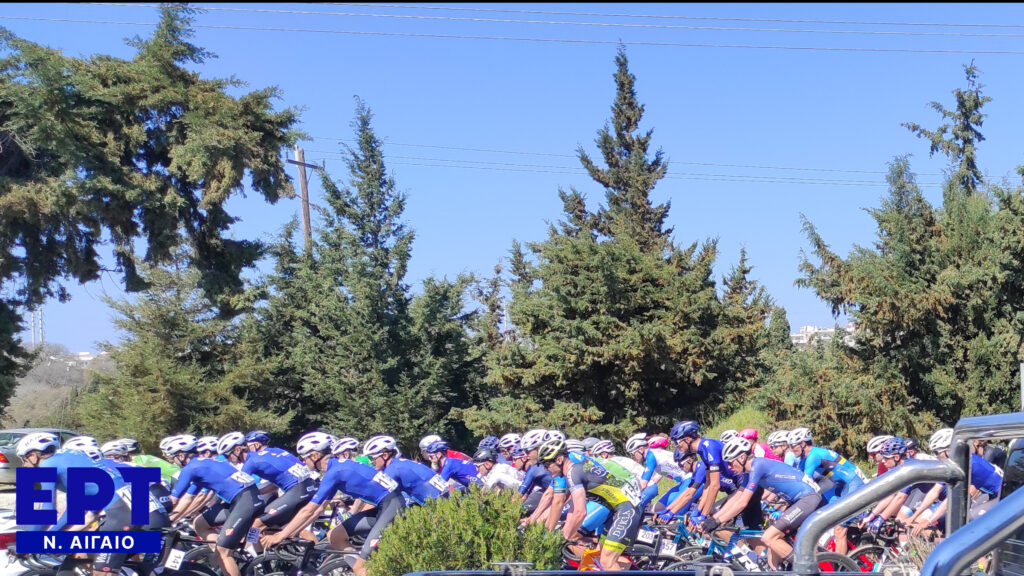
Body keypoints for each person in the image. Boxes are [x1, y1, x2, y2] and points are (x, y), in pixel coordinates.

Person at [17, 432, 161, 576]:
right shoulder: (74, 458)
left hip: (122, 514)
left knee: (101, 572)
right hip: (145, 512)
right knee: (87, 555)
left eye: (23, 460)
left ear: (33, 456)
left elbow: (46, 511)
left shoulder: (48, 465)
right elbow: (73, 513)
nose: (24, 465)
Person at [261, 432, 404, 576]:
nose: (303, 462)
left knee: (360, 567)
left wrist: (281, 535)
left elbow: (308, 510)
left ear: (315, 456)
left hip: (392, 505)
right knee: (335, 536)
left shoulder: (334, 472)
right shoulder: (335, 468)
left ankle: (363, 569)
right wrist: (290, 533)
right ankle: (363, 569)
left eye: (304, 458)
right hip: (383, 506)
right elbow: (318, 510)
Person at [700, 437, 823, 569]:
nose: (729, 468)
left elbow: (742, 502)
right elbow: (737, 497)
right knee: (772, 554)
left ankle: (808, 569)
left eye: (730, 462)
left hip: (807, 498)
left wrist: (717, 521)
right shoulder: (748, 473)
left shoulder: (757, 466)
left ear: (742, 458)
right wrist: (714, 518)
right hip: (798, 501)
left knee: (768, 537)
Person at [166, 435, 262, 576]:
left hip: (244, 501)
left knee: (222, 553)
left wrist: (165, 519)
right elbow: (188, 498)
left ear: (181, 455)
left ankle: (225, 552)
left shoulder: (190, 469)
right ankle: (229, 550)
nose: (172, 461)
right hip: (245, 498)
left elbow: (174, 500)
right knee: (199, 523)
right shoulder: (205, 463)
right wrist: (175, 518)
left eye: (173, 457)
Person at [539, 438, 641, 571]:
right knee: (599, 556)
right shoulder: (574, 467)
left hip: (626, 508)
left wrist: (563, 537)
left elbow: (580, 512)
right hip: (616, 510)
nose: (546, 469)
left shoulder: (572, 473)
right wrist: (566, 531)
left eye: (547, 465)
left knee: (607, 561)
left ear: (558, 460)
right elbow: (573, 508)